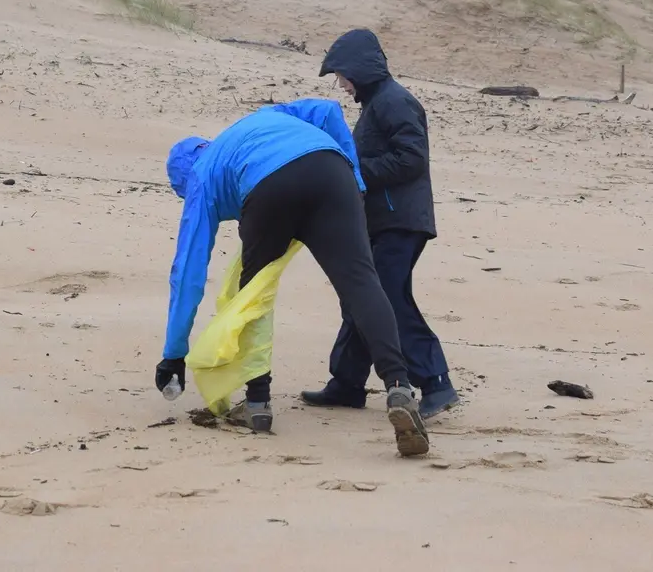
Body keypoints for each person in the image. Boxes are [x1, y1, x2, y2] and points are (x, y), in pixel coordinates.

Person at [154, 98, 430, 457]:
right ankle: (399, 387)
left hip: (269, 187)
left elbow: (187, 273)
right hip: (331, 170)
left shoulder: (201, 177)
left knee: (253, 294)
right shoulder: (261, 119)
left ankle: (258, 403)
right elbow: (328, 111)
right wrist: (357, 179)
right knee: (361, 282)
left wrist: (174, 354)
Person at [301, 28, 460, 420]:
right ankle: (347, 383)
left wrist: (354, 172)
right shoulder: (377, 104)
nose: (341, 85)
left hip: (401, 221)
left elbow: (412, 159)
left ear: (359, 69)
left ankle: (436, 382)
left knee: (386, 300)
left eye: (342, 75)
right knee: (362, 298)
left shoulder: (395, 101)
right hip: (383, 221)